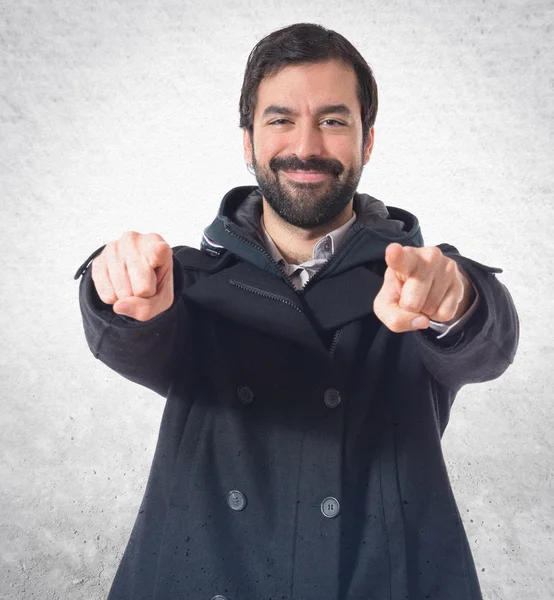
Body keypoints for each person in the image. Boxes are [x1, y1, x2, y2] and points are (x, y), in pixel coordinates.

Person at [74, 22, 519, 600]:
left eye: (333, 121)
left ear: (368, 141)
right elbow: (133, 338)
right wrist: (115, 288)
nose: (306, 146)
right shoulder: (184, 281)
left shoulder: (416, 281)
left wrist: (455, 298)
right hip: (198, 572)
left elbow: (488, 342)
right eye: (280, 119)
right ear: (247, 140)